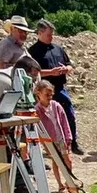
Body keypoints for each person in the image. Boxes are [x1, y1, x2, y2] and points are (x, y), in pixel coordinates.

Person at [27, 19, 84, 155]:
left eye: (52, 34)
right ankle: (48, 147)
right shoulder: (33, 51)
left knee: (69, 114)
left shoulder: (58, 48)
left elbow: (70, 65)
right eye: (48, 35)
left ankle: (72, 142)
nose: (51, 37)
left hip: (59, 88)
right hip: (43, 91)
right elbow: (32, 72)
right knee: (44, 119)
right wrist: (51, 72)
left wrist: (66, 69)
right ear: (40, 33)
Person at [32, 80, 80, 193]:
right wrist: (44, 143)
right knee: (56, 161)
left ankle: (69, 182)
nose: (49, 97)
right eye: (46, 95)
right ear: (38, 93)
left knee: (68, 160)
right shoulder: (37, 110)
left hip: (61, 138)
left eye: (51, 95)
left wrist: (69, 137)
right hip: (50, 141)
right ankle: (60, 185)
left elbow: (64, 122)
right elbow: (38, 128)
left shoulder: (56, 106)